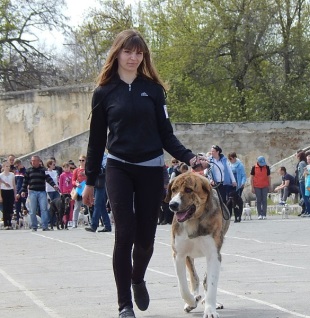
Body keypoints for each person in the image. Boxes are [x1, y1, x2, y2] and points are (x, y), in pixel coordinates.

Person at [81, 29, 208, 318]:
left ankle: (137, 277)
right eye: (128, 51)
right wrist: (89, 180)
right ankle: (124, 303)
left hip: (151, 169)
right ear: (117, 53)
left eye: (138, 53)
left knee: (146, 239)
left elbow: (167, 135)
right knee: (124, 232)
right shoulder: (104, 92)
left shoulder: (153, 90)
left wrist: (189, 157)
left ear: (144, 56)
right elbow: (96, 139)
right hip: (118, 167)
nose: (133, 57)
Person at [20, 155, 60, 231]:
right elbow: (25, 182)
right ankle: (34, 226)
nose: (33, 162)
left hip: (42, 192)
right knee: (32, 210)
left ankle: (45, 226)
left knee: (44, 209)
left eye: (35, 161)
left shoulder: (43, 170)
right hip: (32, 192)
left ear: (39, 161)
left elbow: (48, 179)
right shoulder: (28, 171)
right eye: (32, 161)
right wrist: (23, 191)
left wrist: (54, 185)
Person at [85, 153, 111, 233]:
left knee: (97, 204)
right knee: (102, 206)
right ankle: (107, 226)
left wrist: (95, 170)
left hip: (101, 183)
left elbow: (105, 169)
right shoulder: (95, 157)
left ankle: (94, 225)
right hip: (96, 183)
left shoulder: (104, 157)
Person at [71, 155, 87, 228]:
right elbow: (73, 180)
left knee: (89, 205)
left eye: (83, 160)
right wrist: (76, 183)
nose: (81, 162)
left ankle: (91, 221)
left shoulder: (88, 169)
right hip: (79, 189)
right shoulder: (76, 170)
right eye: (80, 160)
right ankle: (74, 222)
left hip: (86, 188)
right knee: (77, 207)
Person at [0, 161, 16, 229]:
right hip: (3, 191)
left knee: (10, 207)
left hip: (10, 191)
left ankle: (10, 222)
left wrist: (15, 194)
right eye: (6, 166)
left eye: (9, 166)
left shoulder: (12, 174)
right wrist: (0, 196)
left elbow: (14, 185)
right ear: (3, 167)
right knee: (5, 208)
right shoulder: (1, 175)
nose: (8, 168)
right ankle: (5, 223)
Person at [13, 159, 26, 226]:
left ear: (20, 164)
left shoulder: (25, 172)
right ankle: (18, 222)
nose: (16, 168)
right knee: (17, 208)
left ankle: (26, 222)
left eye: (17, 166)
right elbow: (15, 183)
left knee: (25, 207)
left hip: (23, 192)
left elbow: (24, 183)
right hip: (17, 192)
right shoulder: (16, 172)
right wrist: (15, 193)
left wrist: (20, 192)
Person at [296, 151, 307, 216]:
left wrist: (300, 178)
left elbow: (302, 172)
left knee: (303, 196)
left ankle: (304, 210)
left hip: (302, 181)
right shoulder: (304, 162)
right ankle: (304, 210)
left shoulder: (301, 163)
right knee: (303, 196)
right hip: (302, 180)